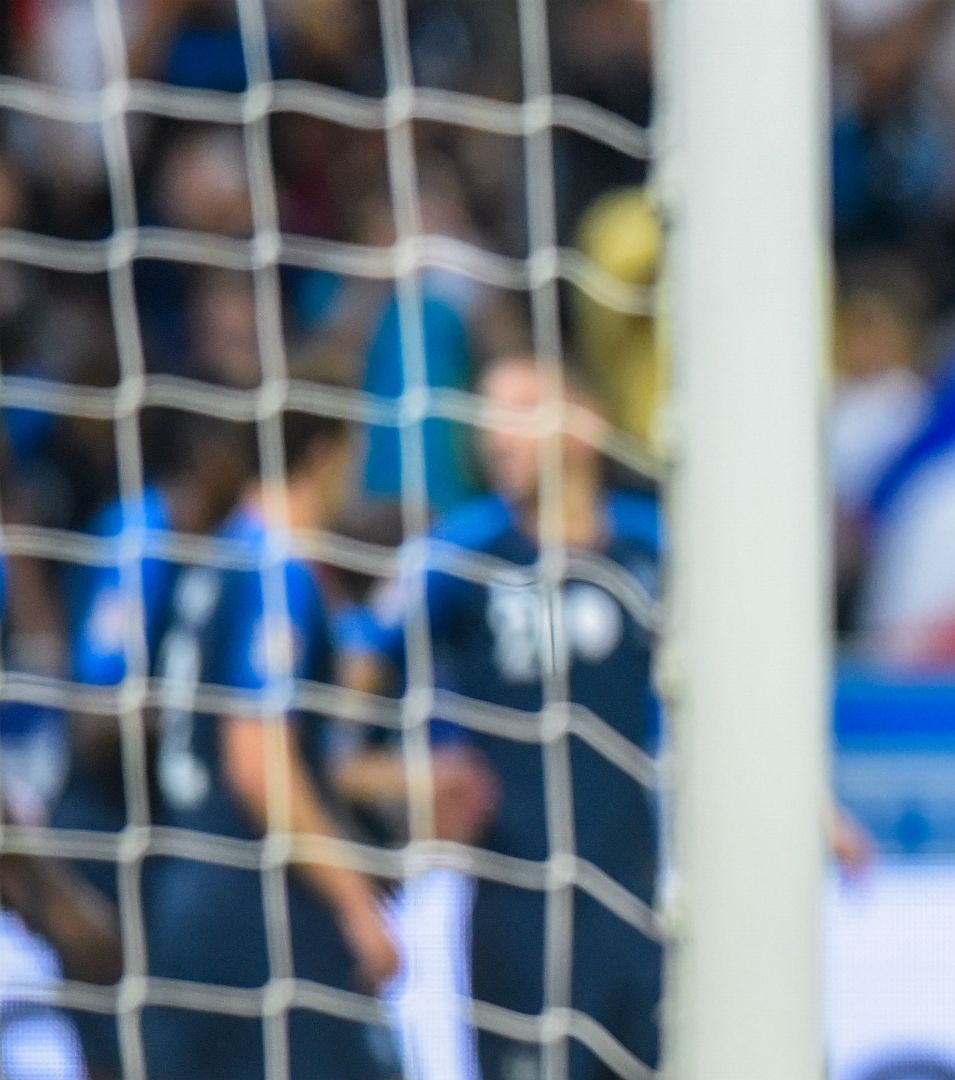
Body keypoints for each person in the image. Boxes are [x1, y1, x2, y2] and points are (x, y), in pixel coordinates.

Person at [342, 355, 666, 1079]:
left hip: (635, 897)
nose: (497, 438)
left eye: (519, 413)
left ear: (583, 426)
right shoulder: (460, 555)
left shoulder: (655, 548)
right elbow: (348, 698)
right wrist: (400, 776)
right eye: (488, 421)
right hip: (515, 909)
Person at [140, 403, 399, 1080]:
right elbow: (257, 763)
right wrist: (356, 903)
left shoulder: (220, 552)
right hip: (254, 908)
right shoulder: (276, 567)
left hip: (183, 890)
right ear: (326, 453)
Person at [50, 407, 255, 1078]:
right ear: (207, 457)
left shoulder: (228, 545)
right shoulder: (138, 539)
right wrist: (188, 716)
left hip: (169, 843)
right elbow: (95, 721)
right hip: (103, 835)